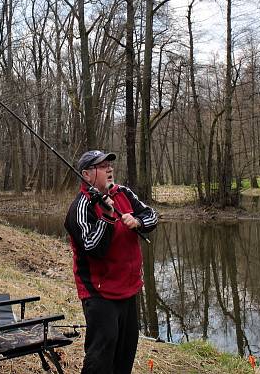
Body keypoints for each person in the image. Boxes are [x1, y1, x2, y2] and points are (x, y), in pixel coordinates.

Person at [64, 150, 158, 374]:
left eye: (109, 164)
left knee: (125, 355)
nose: (109, 169)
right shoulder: (80, 208)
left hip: (129, 290)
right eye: (102, 165)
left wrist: (137, 221)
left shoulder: (123, 193)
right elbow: (93, 248)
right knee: (101, 357)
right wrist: (107, 217)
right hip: (100, 295)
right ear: (87, 175)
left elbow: (152, 215)